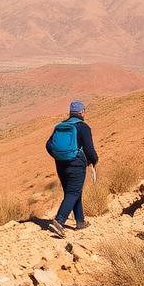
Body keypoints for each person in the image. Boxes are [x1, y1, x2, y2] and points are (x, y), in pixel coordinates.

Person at [45, 101, 99, 238]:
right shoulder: (83, 127)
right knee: (73, 192)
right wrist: (93, 160)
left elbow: (48, 145)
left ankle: (80, 221)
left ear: (70, 113)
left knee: (73, 192)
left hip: (60, 164)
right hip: (76, 163)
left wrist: (58, 156)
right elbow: (89, 149)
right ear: (82, 112)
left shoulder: (60, 126)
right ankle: (59, 221)